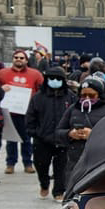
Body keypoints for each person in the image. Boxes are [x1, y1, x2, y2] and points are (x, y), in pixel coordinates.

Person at [56, 75, 105, 189]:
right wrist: (70, 134)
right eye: (83, 95)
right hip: (75, 159)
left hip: (99, 159)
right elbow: (58, 131)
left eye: (91, 95)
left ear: (99, 94)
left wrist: (93, 135)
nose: (86, 98)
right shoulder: (73, 108)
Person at [26, 66, 77, 200]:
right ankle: (44, 184)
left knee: (62, 167)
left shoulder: (70, 96)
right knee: (41, 164)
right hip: (42, 138)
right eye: (51, 78)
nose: (55, 81)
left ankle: (59, 191)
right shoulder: (38, 97)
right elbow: (30, 116)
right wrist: (34, 132)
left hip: (63, 138)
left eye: (58, 79)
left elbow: (75, 114)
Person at [0, 48, 43, 174]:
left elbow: (42, 90)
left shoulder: (35, 74)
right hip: (9, 112)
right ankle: (10, 163)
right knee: (11, 138)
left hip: (27, 112)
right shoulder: (2, 73)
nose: (18, 59)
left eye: (21, 58)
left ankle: (28, 163)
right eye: (16, 57)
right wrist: (1, 89)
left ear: (26, 60)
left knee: (26, 139)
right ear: (13, 59)